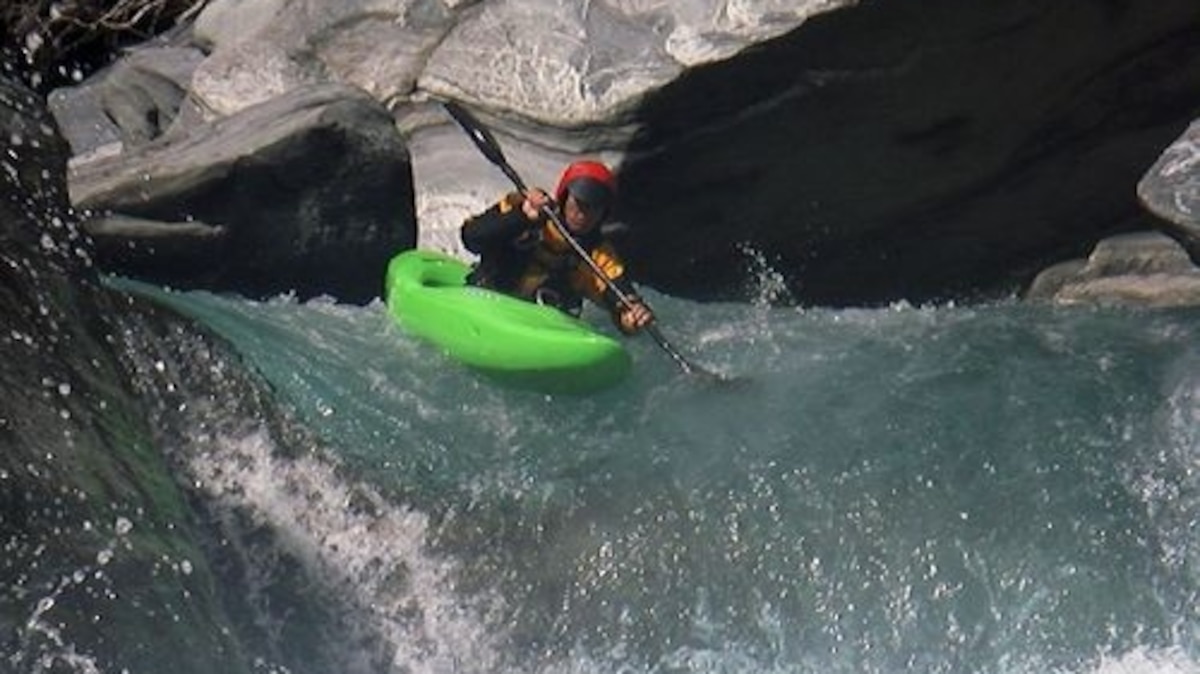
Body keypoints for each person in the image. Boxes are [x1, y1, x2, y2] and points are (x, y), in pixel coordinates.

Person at [460, 160, 655, 335]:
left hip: (542, 328)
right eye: (579, 204)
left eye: (594, 207)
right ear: (564, 197)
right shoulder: (524, 206)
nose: (583, 215)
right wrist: (520, 217)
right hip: (486, 302)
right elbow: (471, 238)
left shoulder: (598, 254)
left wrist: (632, 317)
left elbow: (619, 298)